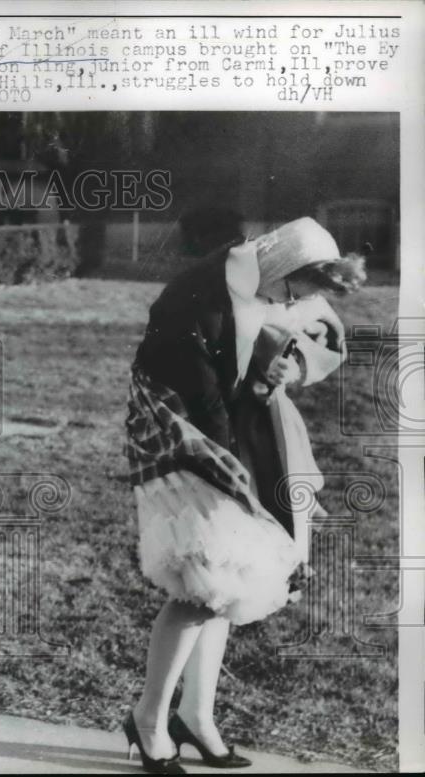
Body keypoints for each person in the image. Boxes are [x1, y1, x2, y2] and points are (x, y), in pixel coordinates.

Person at [122, 217, 364, 773]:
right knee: (201, 577)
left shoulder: (274, 283)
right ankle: (149, 720)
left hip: (237, 432)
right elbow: (198, 395)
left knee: (222, 582)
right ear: (279, 270)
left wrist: (288, 365)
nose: (287, 304)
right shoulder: (198, 294)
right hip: (180, 433)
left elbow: (314, 329)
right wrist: (236, 475)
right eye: (287, 292)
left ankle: (196, 718)